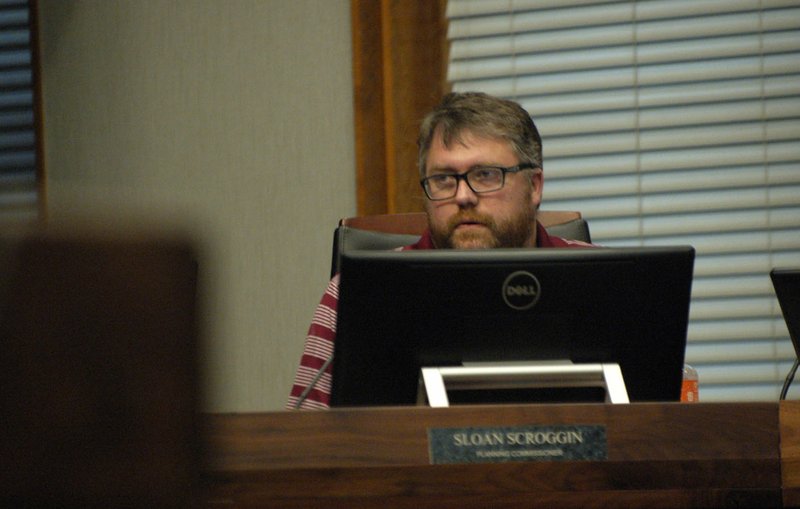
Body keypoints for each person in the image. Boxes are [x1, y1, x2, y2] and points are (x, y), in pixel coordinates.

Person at [287, 92, 593, 410]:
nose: (463, 196)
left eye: (485, 175)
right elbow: (303, 441)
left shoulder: (600, 282)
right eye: (444, 179)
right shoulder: (356, 294)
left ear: (534, 186)